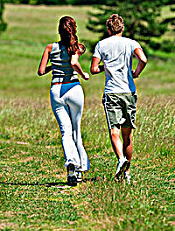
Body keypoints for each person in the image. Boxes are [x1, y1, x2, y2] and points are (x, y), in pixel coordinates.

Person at [90, 14, 147, 183]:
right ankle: (127, 172)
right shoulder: (131, 43)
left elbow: (93, 69)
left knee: (114, 130)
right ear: (122, 28)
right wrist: (136, 72)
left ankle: (121, 159)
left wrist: (105, 67)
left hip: (112, 92)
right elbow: (143, 59)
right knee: (127, 135)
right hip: (129, 92)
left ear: (108, 29)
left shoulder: (102, 45)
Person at [37, 16, 90, 186]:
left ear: (59, 30)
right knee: (76, 131)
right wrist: (83, 74)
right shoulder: (76, 47)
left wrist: (55, 65)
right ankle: (81, 169)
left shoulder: (49, 48)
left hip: (57, 90)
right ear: (73, 29)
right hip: (73, 88)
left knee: (65, 131)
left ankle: (71, 162)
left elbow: (40, 71)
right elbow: (75, 61)